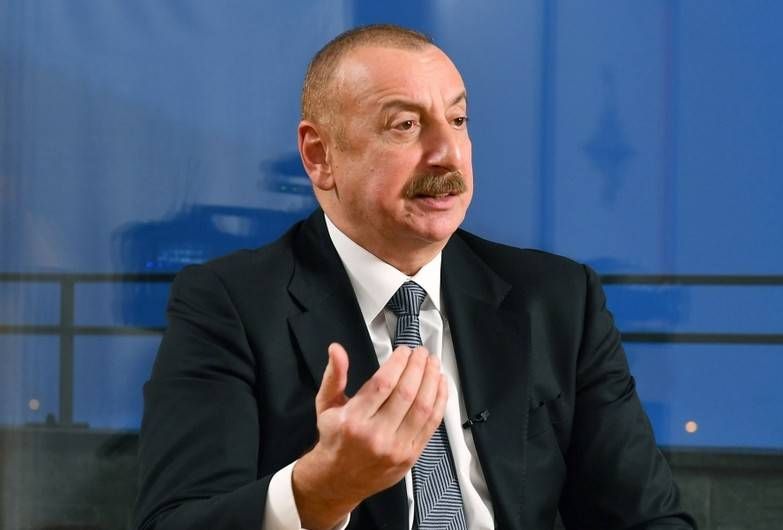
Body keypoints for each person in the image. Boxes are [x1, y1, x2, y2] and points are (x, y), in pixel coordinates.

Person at [135, 24, 695, 530]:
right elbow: (173, 521)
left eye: (458, 120)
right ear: (319, 155)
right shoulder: (228, 305)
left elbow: (648, 519)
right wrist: (319, 493)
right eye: (405, 125)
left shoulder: (558, 299)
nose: (447, 153)